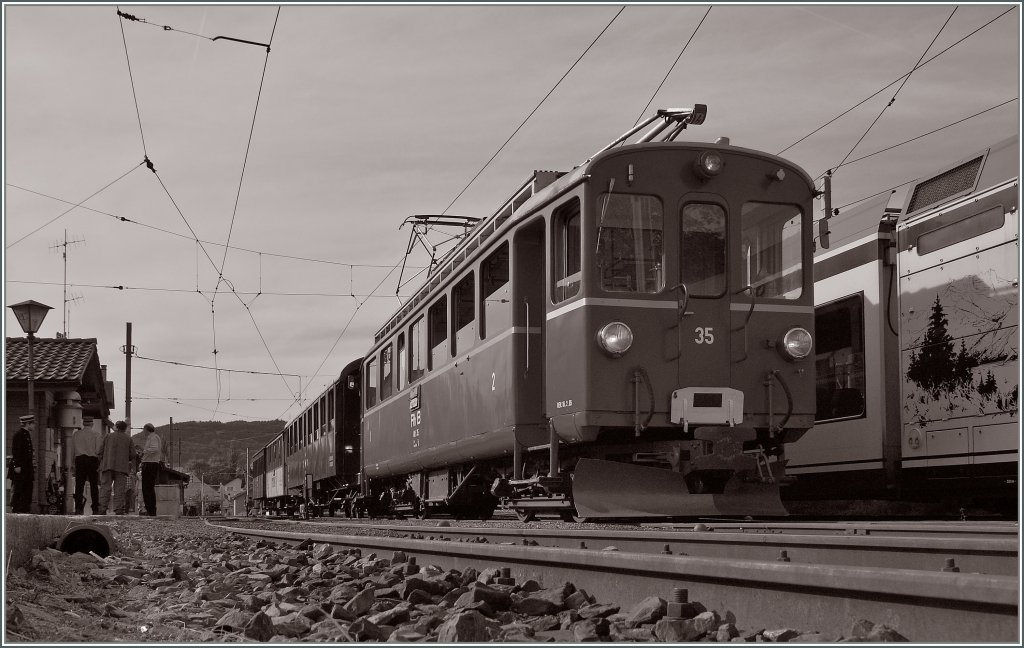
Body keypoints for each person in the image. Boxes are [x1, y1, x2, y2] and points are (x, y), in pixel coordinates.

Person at [98, 421, 133, 515]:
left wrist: (102, 461)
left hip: (107, 466)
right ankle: (118, 509)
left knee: (105, 488)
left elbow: (99, 451)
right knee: (119, 489)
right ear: (125, 428)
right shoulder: (128, 439)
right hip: (121, 467)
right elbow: (132, 454)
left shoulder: (108, 436)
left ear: (116, 427)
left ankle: (102, 508)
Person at [72, 419, 104, 515]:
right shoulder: (96, 434)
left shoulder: (76, 434)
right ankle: (95, 508)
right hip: (92, 460)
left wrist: (72, 463)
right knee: (94, 485)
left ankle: (78, 507)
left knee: (79, 484)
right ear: (92, 424)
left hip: (80, 460)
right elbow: (98, 450)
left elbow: (72, 449)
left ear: (83, 423)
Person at [10, 415, 36, 513]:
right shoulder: (19, 435)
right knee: (19, 489)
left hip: (26, 468)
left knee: (27, 489)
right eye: (32, 423)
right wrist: (16, 465)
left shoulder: (26, 434)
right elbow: (16, 451)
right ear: (28, 424)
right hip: (21, 468)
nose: (34, 426)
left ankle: (25, 509)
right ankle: (16, 509)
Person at [139, 423, 163, 517]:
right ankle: (150, 509)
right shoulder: (153, 437)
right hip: (150, 463)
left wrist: (144, 451)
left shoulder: (153, 437)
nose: (143, 432)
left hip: (150, 464)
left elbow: (154, 449)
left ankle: (151, 510)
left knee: (147, 488)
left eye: (144, 429)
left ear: (146, 429)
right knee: (147, 488)